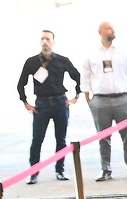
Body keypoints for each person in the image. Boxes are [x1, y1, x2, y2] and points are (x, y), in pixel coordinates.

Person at [18, 30, 80, 184]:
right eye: (42, 39)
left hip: (60, 102)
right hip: (42, 104)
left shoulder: (62, 60)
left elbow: (77, 76)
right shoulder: (32, 62)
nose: (45, 42)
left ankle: (60, 170)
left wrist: (76, 97)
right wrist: (25, 102)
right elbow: (21, 84)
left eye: (48, 39)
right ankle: (33, 172)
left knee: (61, 139)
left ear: (53, 41)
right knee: (37, 139)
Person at [81, 22, 127, 182]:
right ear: (100, 32)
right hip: (100, 100)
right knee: (103, 137)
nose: (112, 31)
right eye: (108, 28)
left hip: (122, 99)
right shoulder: (92, 54)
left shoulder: (123, 52)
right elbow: (85, 75)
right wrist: (88, 97)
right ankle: (105, 169)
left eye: (112, 28)